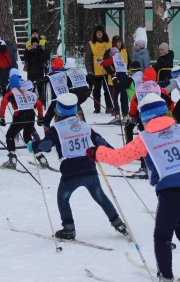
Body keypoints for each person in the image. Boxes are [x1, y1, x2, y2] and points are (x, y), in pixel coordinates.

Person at [90, 93, 180, 282]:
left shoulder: (145, 138)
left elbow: (119, 158)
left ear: (144, 117)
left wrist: (97, 152)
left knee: (162, 236)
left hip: (172, 191)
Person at [30, 93, 128, 240]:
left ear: (58, 110)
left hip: (71, 172)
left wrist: (35, 146)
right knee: (100, 197)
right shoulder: (84, 125)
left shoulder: (56, 128)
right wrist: (115, 153)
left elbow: (46, 146)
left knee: (63, 199)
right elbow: (99, 141)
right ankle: (118, 223)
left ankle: (69, 228)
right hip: (89, 169)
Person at [0, 75, 46, 169]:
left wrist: (2, 118)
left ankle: (12, 158)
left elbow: (3, 103)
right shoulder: (29, 92)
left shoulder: (10, 93)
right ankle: (40, 157)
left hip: (19, 116)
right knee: (27, 137)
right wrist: (41, 117)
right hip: (31, 116)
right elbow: (39, 104)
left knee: (10, 136)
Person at [84, 26, 113, 113]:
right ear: (95, 34)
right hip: (96, 71)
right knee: (96, 90)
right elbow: (87, 58)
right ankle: (97, 108)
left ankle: (109, 107)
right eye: (98, 32)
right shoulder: (91, 44)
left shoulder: (109, 43)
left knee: (107, 90)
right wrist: (89, 70)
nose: (99, 34)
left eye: (101, 32)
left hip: (107, 70)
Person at [25, 38, 48, 102]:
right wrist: (27, 50)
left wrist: (40, 50)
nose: (35, 44)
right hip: (31, 71)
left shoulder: (40, 50)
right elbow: (26, 58)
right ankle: (32, 100)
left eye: (36, 42)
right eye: (34, 42)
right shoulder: (29, 50)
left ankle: (41, 100)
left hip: (39, 70)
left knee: (40, 86)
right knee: (31, 86)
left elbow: (45, 57)